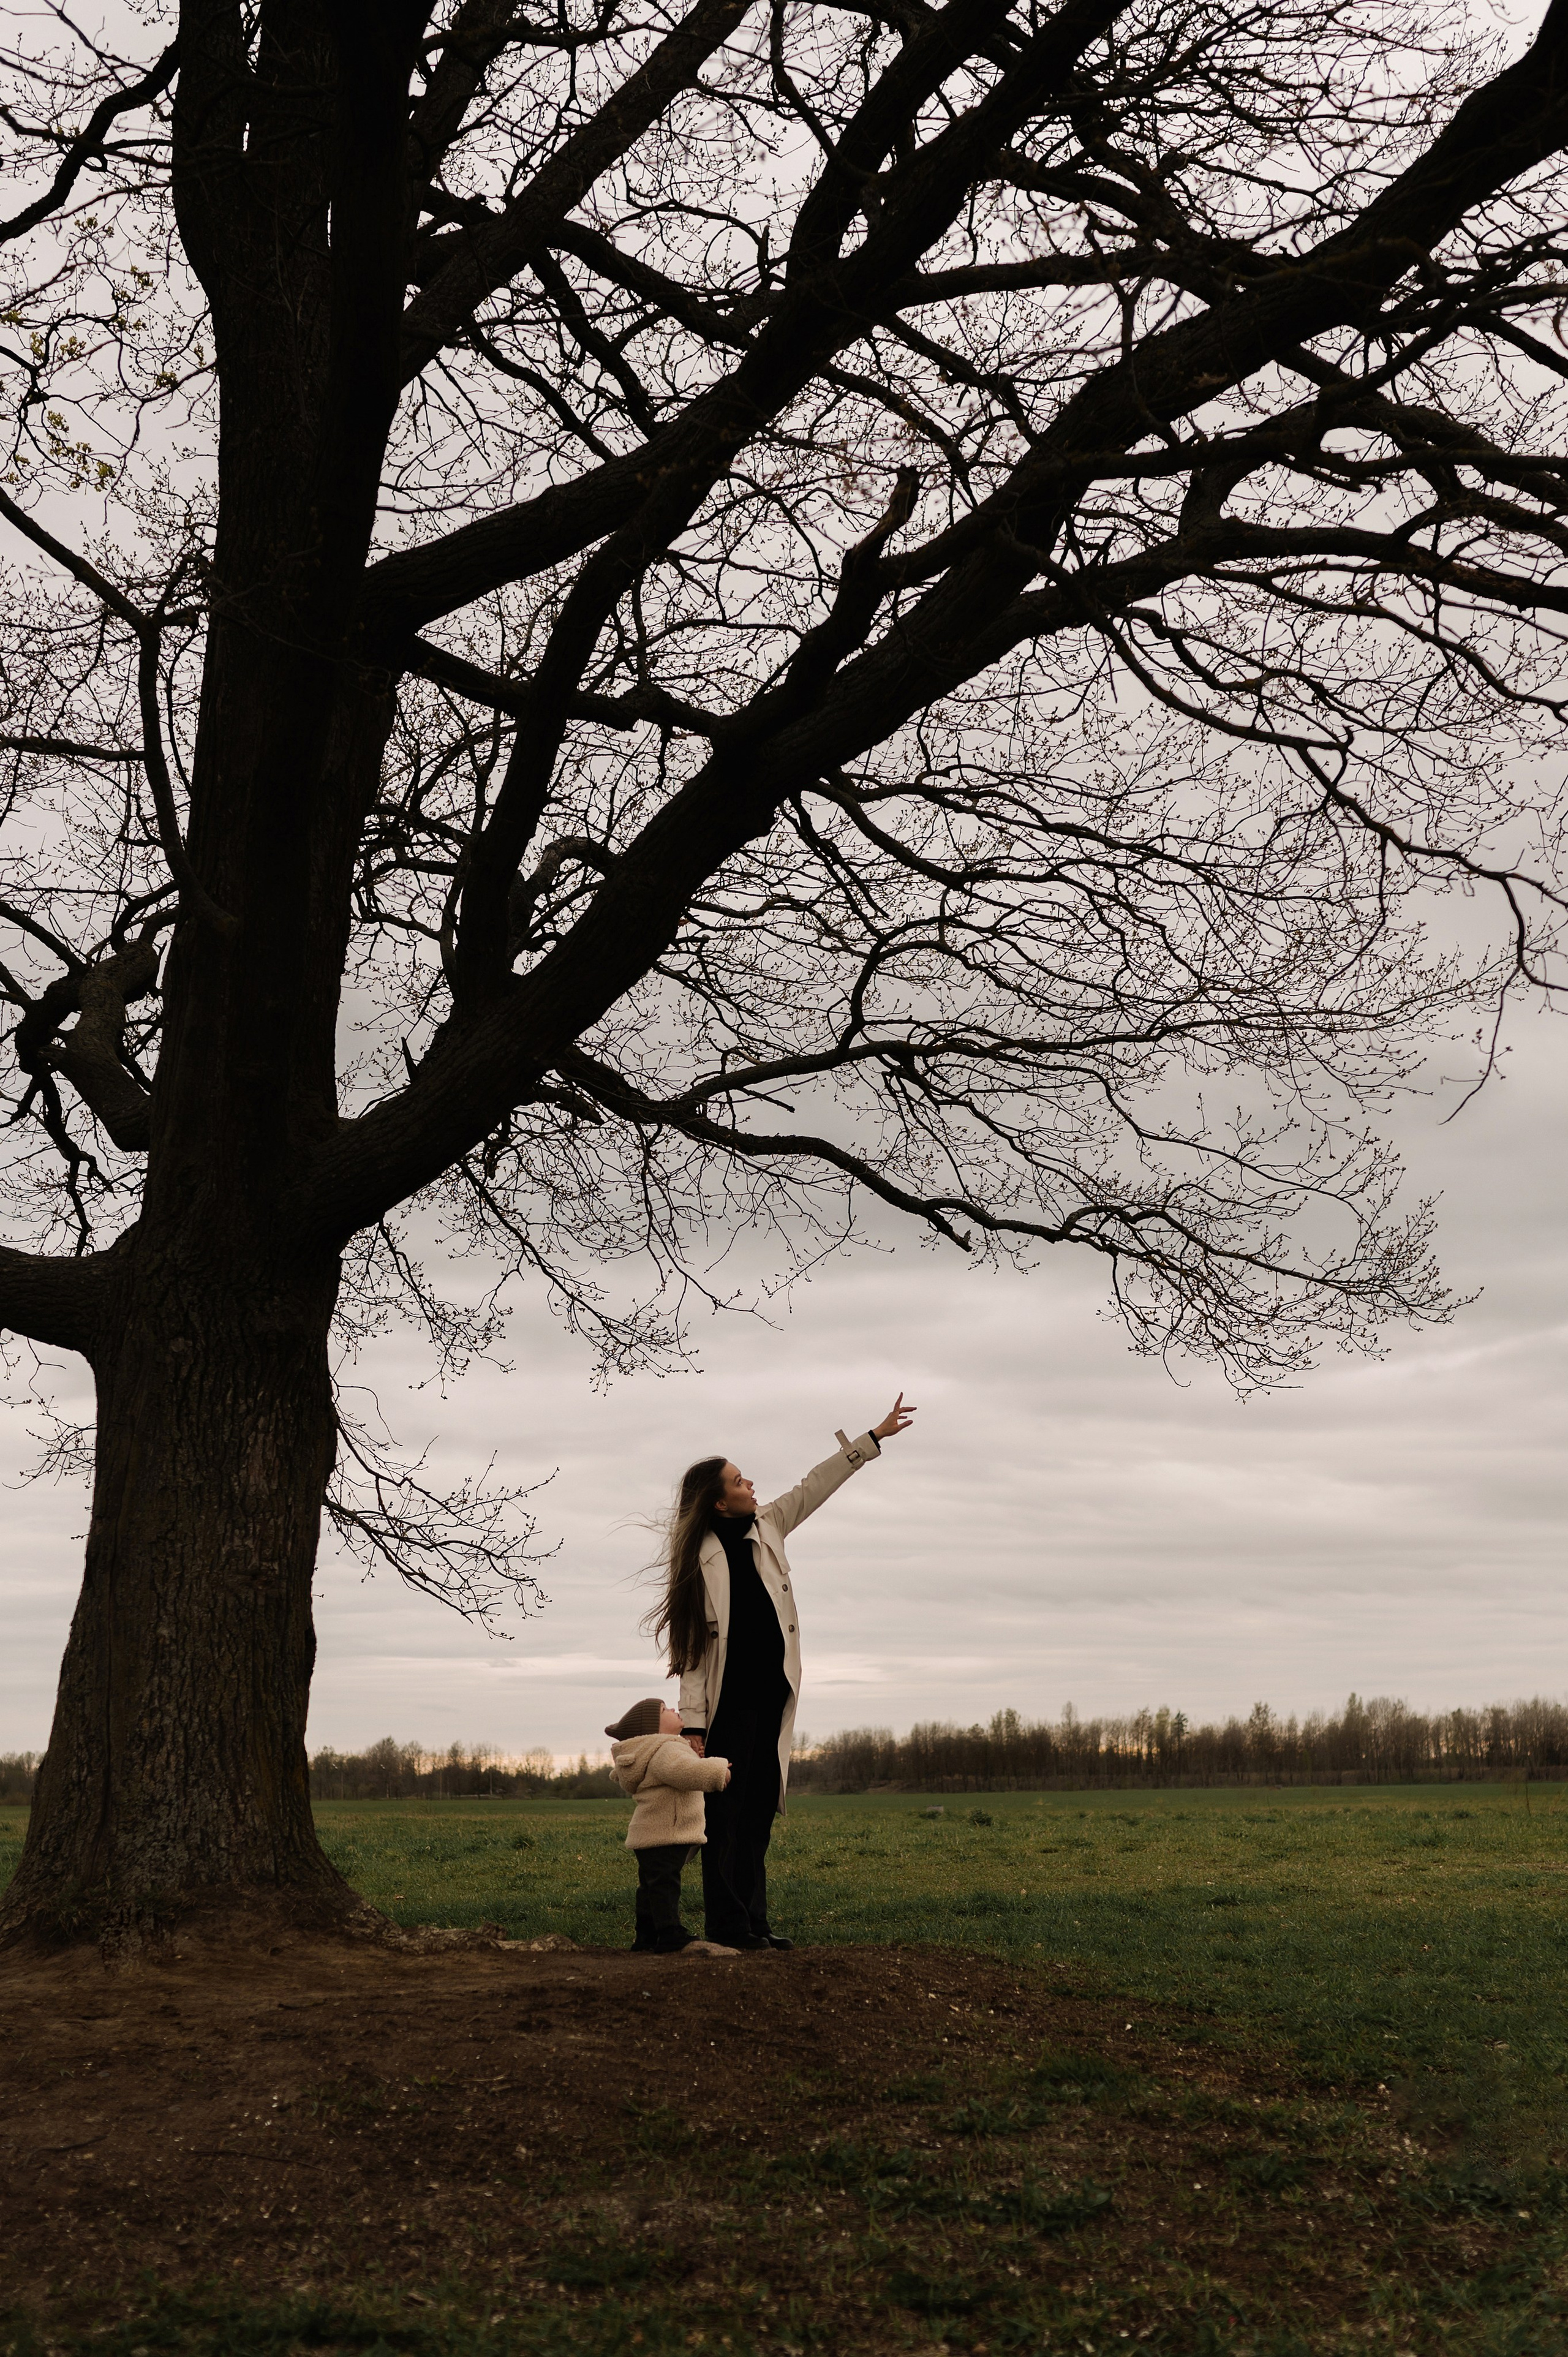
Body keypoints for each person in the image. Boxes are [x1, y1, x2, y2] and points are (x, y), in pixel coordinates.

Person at [648, 1396, 916, 1951]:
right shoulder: (696, 1561)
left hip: (774, 1699)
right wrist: (694, 1727)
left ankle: (756, 1923)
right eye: (739, 1481)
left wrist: (873, 1437)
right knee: (726, 1817)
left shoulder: (768, 1526)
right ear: (718, 1503)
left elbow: (813, 1486)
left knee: (758, 1817)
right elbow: (694, 1653)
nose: (752, 1486)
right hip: (727, 1708)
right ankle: (729, 1926)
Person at [605, 1697, 736, 1955]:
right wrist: (718, 1770)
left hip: (652, 1833)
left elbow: (682, 1766)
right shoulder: (665, 1749)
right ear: (654, 1726)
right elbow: (684, 1772)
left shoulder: (658, 1750)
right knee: (665, 1884)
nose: (674, 1709)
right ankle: (669, 1933)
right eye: (664, 1709)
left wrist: (691, 1754)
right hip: (666, 1833)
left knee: (651, 1886)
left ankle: (646, 1936)